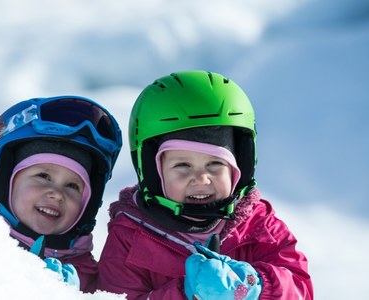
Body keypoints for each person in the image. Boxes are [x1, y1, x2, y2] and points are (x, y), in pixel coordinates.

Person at [97, 70, 313, 299]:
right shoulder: (130, 237)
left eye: (214, 164)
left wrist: (253, 285)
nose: (201, 178)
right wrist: (186, 294)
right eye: (182, 165)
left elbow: (299, 288)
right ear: (154, 172)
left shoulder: (260, 228)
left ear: (239, 168)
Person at [0, 95, 122, 292]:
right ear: (1, 179)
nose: (57, 194)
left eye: (72, 186)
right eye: (43, 176)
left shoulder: (89, 280)